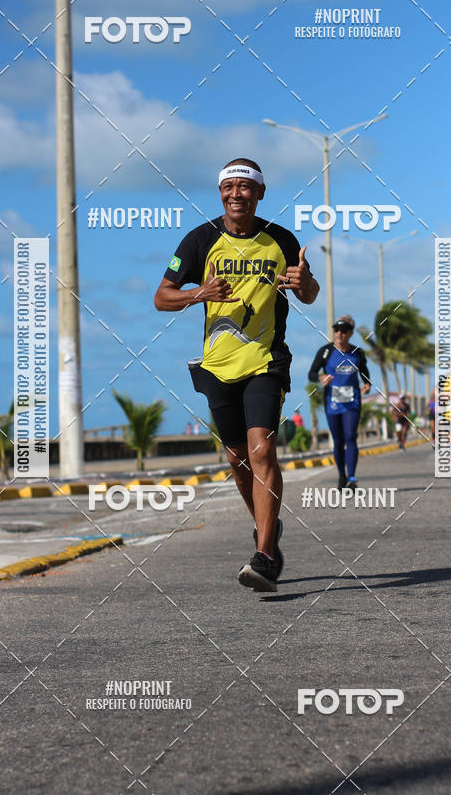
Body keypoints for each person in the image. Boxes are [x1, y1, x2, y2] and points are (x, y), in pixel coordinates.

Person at [154, 158, 319, 591]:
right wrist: (198, 294)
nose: (236, 194)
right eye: (228, 187)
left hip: (266, 360)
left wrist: (303, 283)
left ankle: (265, 557)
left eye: (245, 187)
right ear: (220, 193)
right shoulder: (200, 239)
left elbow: (309, 293)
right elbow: (161, 297)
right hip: (217, 366)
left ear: (260, 193)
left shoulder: (280, 240)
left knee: (261, 450)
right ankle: (267, 527)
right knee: (237, 459)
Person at [308, 315, 370, 491]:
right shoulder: (325, 352)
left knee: (350, 437)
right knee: (338, 439)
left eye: (343, 330)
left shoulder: (358, 352)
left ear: (350, 333)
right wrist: (320, 377)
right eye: (336, 330)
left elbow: (364, 373)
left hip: (352, 402)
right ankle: (341, 475)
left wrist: (366, 384)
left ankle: (352, 478)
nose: (339, 333)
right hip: (332, 403)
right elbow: (311, 373)